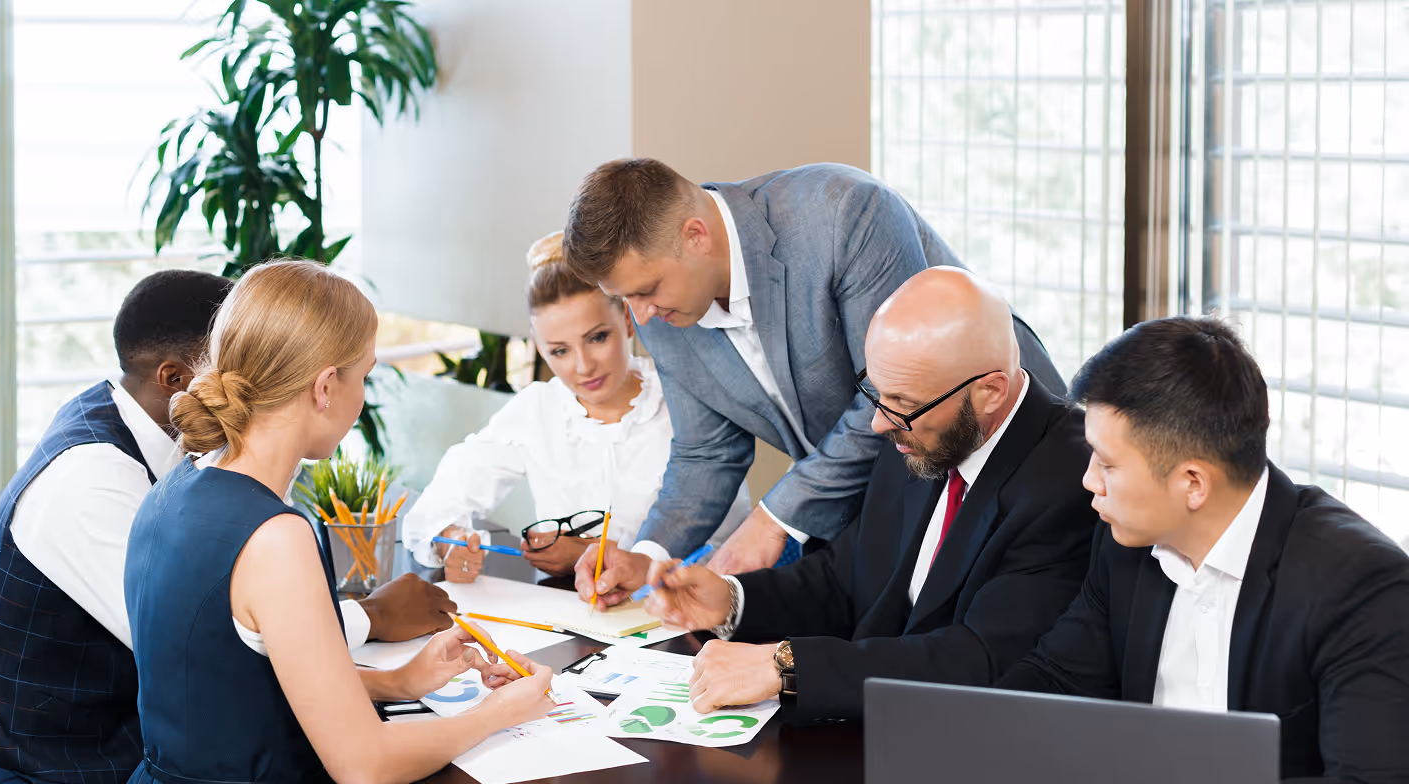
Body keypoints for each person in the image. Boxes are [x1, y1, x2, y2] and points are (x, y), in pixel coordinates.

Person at [0, 270, 452, 784]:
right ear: (176, 377)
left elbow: (235, 659)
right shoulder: (92, 478)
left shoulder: (189, 474)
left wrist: (393, 681)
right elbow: (208, 647)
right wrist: (371, 618)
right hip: (63, 763)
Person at [124, 261, 554, 783]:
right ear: (325, 387)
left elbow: (231, 680)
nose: (364, 395)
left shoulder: (170, 488)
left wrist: (397, 681)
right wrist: (500, 712)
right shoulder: (274, 537)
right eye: (365, 375)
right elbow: (366, 765)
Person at [562, 158, 1068, 601]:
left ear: (696, 236)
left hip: (1004, 467)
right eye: (625, 298)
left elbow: (884, 404)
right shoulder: (666, 313)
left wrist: (773, 518)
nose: (641, 317)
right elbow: (706, 452)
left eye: (646, 291)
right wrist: (648, 555)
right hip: (884, 503)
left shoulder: (845, 212)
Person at [631, 268, 1097, 722]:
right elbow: (846, 577)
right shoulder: (920, 427)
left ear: (989, 392)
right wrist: (732, 600)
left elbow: (978, 660)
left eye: (904, 404)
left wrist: (787, 665)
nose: (878, 423)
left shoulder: (1069, 479)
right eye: (877, 393)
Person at [997, 317, 1409, 781]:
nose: (1089, 481)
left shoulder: (1360, 585)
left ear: (1193, 483)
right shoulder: (1125, 544)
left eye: (1107, 464)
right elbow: (1054, 679)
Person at [403, 232, 750, 581]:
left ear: (628, 321)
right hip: (570, 618)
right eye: (560, 350)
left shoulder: (684, 401)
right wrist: (451, 540)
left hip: (684, 616)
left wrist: (595, 553)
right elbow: (445, 496)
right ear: (539, 348)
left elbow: (726, 536)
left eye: (597, 337)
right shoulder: (537, 410)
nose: (583, 366)